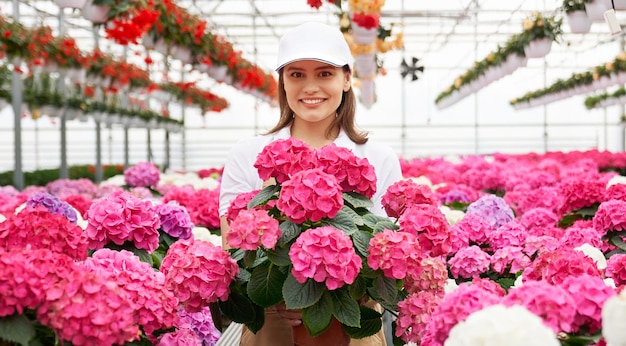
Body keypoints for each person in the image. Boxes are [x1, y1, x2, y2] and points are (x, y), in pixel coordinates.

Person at [218, 21, 403, 346]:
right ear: (283, 83)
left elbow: (388, 255)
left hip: (351, 326)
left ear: (347, 79)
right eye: (297, 74)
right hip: (273, 327)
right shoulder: (248, 155)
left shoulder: (377, 157)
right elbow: (234, 255)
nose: (310, 87)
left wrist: (330, 296)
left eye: (324, 73)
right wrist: (280, 297)